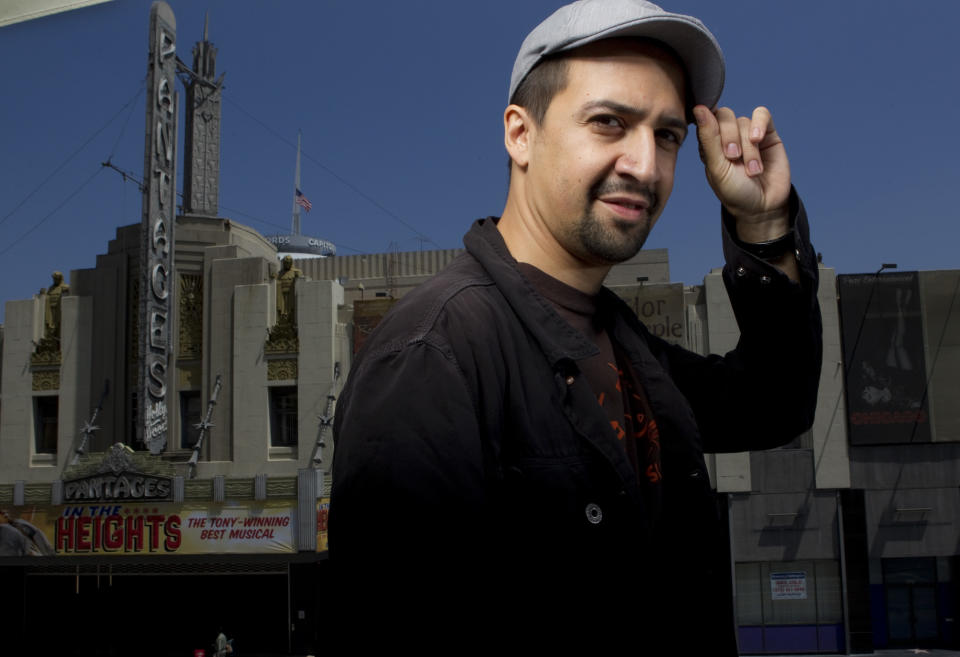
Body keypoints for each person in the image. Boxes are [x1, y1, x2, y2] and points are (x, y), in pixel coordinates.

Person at [330, 0, 821, 649]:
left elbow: (772, 404)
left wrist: (762, 225)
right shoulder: (435, 353)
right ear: (520, 134)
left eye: (667, 135)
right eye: (609, 122)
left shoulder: (623, 345)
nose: (645, 165)